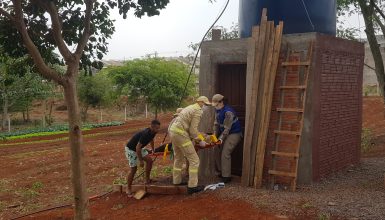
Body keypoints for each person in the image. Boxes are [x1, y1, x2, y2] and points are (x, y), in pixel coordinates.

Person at [168, 96, 211, 194]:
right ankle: (192, 186)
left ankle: (177, 181)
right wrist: (200, 141)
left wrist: (196, 137)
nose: (206, 107)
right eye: (206, 104)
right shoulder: (198, 111)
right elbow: (193, 131)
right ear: (201, 103)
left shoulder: (190, 107)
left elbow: (189, 128)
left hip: (173, 132)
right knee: (194, 160)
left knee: (178, 157)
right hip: (181, 135)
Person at [125, 119, 161, 196]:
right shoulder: (145, 134)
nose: (158, 130)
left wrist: (153, 149)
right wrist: (141, 161)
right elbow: (137, 147)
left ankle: (147, 180)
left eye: (158, 128)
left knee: (149, 161)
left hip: (139, 149)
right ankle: (128, 188)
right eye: (157, 128)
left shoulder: (153, 132)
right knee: (133, 169)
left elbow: (151, 140)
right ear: (152, 127)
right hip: (131, 150)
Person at [212, 94, 242, 183]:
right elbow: (216, 124)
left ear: (221, 102)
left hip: (234, 133)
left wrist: (220, 139)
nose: (215, 106)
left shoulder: (228, 112)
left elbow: (227, 129)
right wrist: (214, 136)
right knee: (216, 150)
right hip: (225, 133)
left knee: (225, 153)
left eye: (217, 104)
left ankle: (226, 176)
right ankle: (222, 171)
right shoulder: (217, 110)